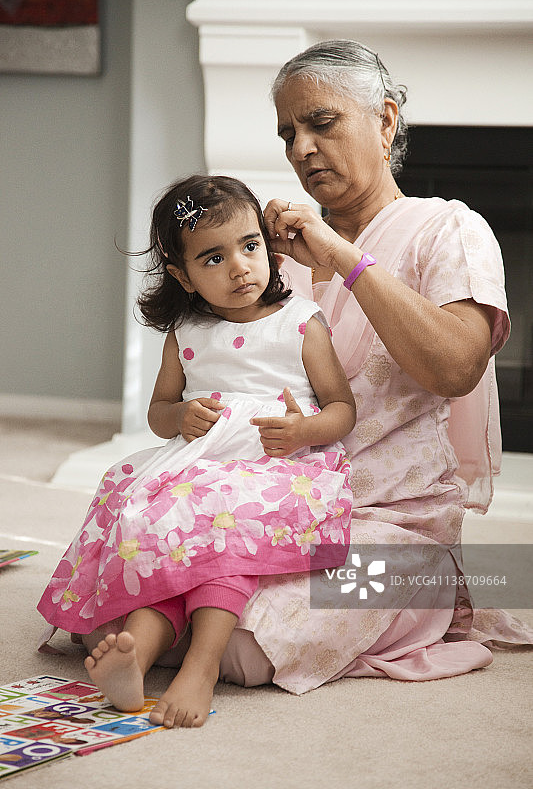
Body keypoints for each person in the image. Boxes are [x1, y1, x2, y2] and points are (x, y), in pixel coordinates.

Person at [183, 38, 532, 693]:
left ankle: (421, 598)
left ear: (385, 120)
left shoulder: (447, 229)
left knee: (247, 645)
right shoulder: (273, 257)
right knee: (130, 589)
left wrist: (341, 256)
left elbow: (456, 366)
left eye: (320, 123)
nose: (300, 150)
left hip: (394, 526)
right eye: (288, 133)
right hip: (278, 508)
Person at [37, 174, 356, 728]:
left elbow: (340, 409)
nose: (240, 267)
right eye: (213, 258)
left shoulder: (300, 323)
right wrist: (180, 416)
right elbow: (160, 413)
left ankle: (201, 667)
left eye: (251, 246)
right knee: (156, 521)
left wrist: (303, 432)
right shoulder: (185, 331)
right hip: (198, 465)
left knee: (219, 532)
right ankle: (135, 649)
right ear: (182, 276)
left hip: (272, 466)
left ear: (268, 245)